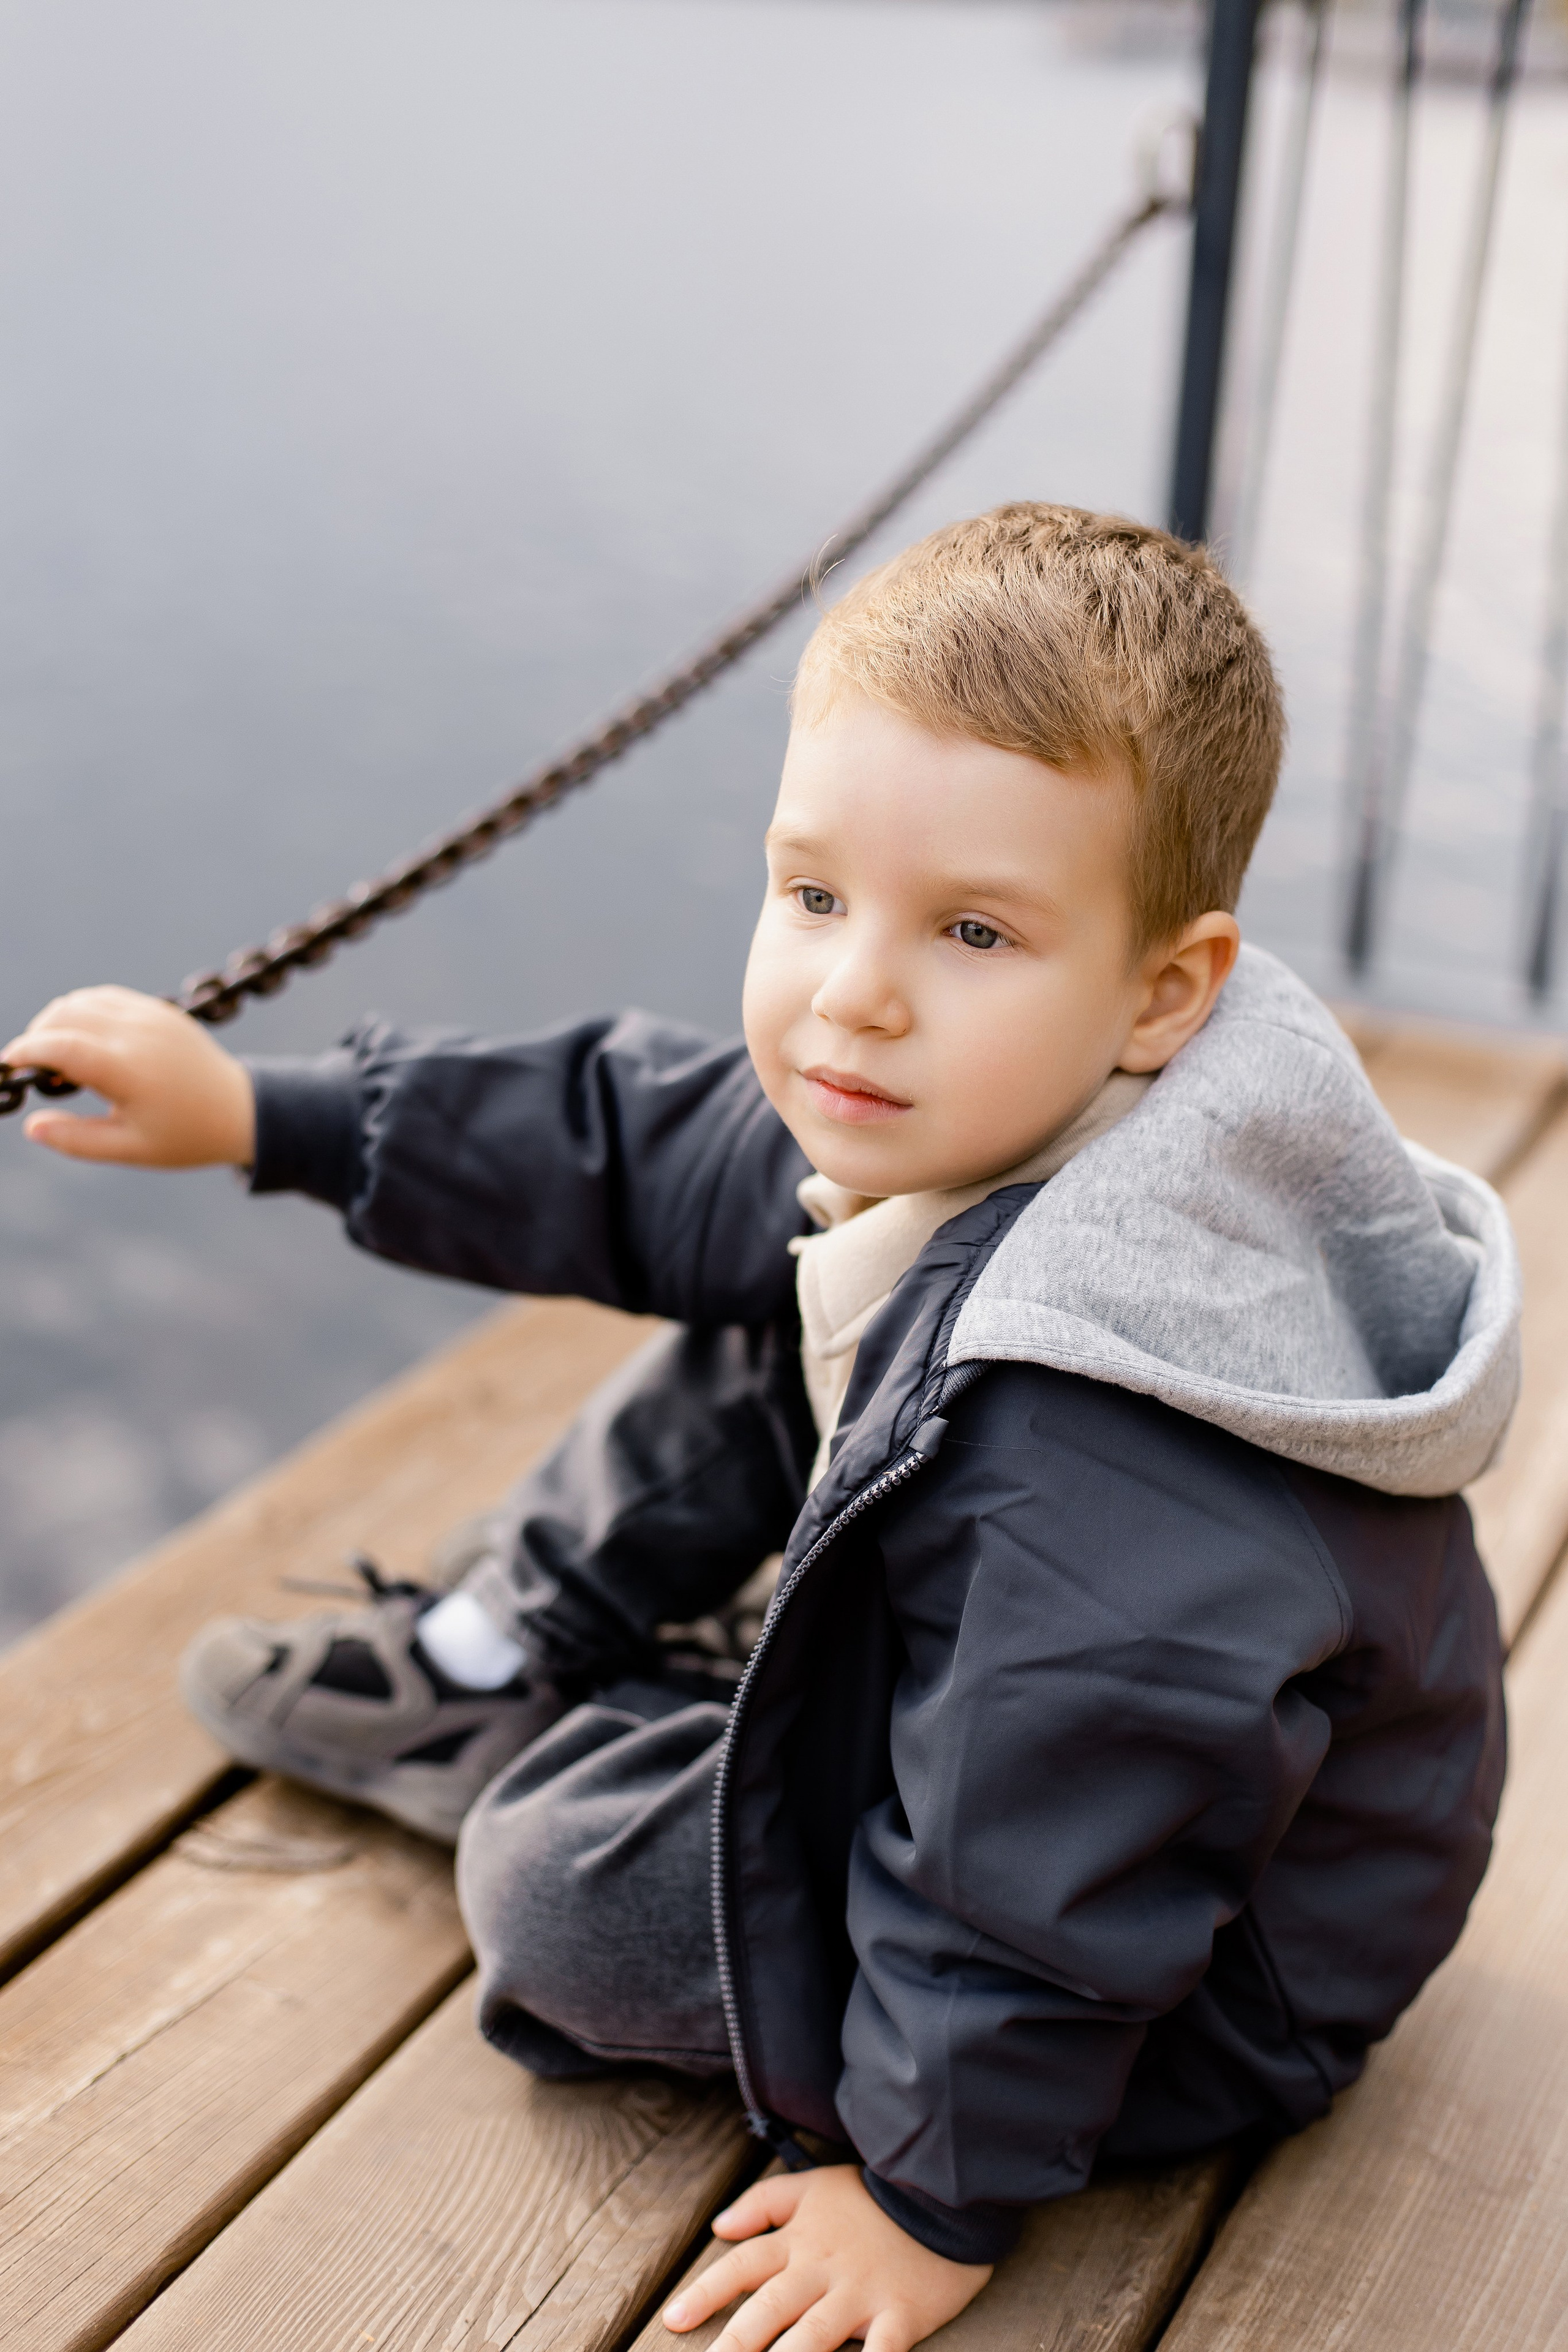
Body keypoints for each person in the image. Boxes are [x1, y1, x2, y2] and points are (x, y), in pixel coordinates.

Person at [4, 505, 1517, 2352]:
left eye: (970, 928)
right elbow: (637, 1136)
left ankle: (595, 1739)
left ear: (1164, 990)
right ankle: (507, 1645)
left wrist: (927, 2197)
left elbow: (1052, 1870)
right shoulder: (995, 1088)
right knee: (779, 1285)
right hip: (1056, 1765)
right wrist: (272, 1114)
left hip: (1191, 1981)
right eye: (813, 896)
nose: (852, 991)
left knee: (552, 1890)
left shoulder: (1099, 1447)